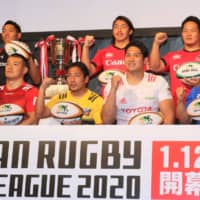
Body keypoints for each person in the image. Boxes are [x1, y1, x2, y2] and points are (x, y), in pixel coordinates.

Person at [102, 40, 175, 125]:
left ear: (145, 60)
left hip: (150, 134)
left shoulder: (158, 81)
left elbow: (169, 116)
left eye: (136, 56)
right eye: (128, 55)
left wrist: (160, 137)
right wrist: (113, 89)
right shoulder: (113, 83)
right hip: (123, 135)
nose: (131, 59)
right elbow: (107, 120)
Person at [149, 16, 200, 108]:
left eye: (192, 30)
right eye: (185, 31)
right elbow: (154, 67)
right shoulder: (172, 56)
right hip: (177, 110)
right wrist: (156, 44)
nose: (188, 34)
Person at [36, 62, 103, 125]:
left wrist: (82, 124)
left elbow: (100, 128)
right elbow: (41, 114)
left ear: (86, 79)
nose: (72, 80)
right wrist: (42, 88)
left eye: (77, 75)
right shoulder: (60, 98)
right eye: (69, 76)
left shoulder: (97, 101)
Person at [81, 16, 135, 93]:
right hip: (109, 97)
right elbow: (87, 72)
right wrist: (86, 47)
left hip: (132, 95)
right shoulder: (103, 52)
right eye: (116, 27)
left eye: (123, 26)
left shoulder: (137, 52)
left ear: (130, 31)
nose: (119, 30)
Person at [0, 54, 39, 125]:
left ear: (24, 70)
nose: (10, 67)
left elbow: (33, 119)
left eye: (15, 64)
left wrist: (13, 132)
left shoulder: (31, 91)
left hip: (21, 134)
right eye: (7, 64)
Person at [0, 20, 41, 85]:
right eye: (3, 31)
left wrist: (29, 59)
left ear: (18, 35)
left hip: (20, 92)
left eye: (10, 31)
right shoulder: (1, 53)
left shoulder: (26, 53)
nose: (6, 34)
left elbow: (37, 80)